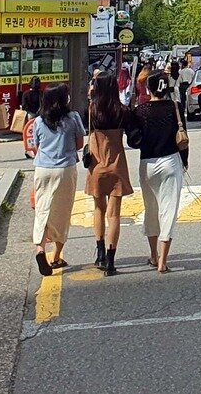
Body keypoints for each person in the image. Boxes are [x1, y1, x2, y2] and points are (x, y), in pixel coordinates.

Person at [128, 68, 187, 273]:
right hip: (170, 160)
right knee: (168, 210)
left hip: (148, 163)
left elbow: (133, 141)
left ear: (148, 87)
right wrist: (185, 162)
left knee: (151, 209)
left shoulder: (140, 111)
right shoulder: (175, 107)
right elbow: (183, 139)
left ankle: (153, 255)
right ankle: (163, 260)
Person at [29, 85, 85, 276]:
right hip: (65, 169)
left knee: (42, 210)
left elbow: (36, 146)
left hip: (42, 169)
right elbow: (79, 144)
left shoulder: (38, 121)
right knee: (62, 212)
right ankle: (56, 256)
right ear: (63, 99)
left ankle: (40, 249)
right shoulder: (73, 118)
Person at [85, 73, 135, 276]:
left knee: (99, 209)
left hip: (96, 165)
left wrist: (91, 96)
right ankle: (111, 261)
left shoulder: (91, 111)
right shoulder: (122, 111)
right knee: (114, 214)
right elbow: (133, 134)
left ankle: (99, 254)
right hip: (117, 164)